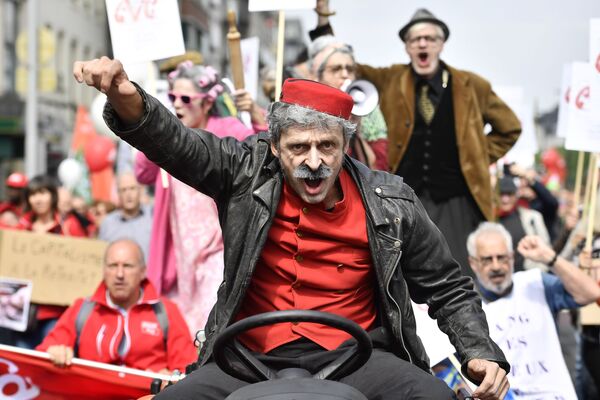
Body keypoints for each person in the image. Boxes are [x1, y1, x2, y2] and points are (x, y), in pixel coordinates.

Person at [74, 57, 510, 400]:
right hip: (246, 356)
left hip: (358, 356)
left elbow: (448, 287)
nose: (314, 161)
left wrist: (480, 353)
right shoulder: (243, 169)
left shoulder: (391, 199)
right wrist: (125, 95)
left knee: (432, 396)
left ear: (345, 145)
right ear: (275, 147)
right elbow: (175, 143)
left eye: (327, 146)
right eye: (299, 147)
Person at [313, 4, 521, 277]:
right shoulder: (391, 79)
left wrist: (477, 158)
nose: (422, 44)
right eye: (415, 40)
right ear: (407, 47)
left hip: (456, 201)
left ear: (441, 44)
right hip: (404, 198)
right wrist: (323, 28)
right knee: (405, 274)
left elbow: (510, 128)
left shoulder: (472, 85)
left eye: (430, 39)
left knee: (457, 275)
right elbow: (345, 67)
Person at [135, 61, 263, 336]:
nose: (177, 104)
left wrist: (255, 113)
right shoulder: (170, 136)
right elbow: (142, 173)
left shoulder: (227, 128)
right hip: (181, 256)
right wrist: (153, 133)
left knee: (208, 322)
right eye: (172, 98)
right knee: (182, 326)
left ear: (206, 104)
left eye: (185, 98)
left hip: (219, 251)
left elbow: (263, 152)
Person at [467, 222, 600, 399]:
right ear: (473, 263)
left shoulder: (534, 282)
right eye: (487, 259)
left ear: (512, 257)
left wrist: (550, 257)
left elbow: (591, 293)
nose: (496, 266)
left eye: (502, 257)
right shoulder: (465, 305)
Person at [37, 239, 196, 373]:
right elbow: (41, 354)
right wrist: (54, 352)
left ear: (142, 272)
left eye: (127, 266)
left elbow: (187, 369)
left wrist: (172, 380)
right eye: (113, 266)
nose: (119, 275)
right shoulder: (82, 309)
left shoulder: (166, 311)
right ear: (104, 271)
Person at [14, 175, 87, 349]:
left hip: (57, 312)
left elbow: (84, 262)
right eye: (33, 194)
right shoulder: (21, 228)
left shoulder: (69, 225)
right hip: (23, 313)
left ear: (52, 196)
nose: (38, 199)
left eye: (42, 193)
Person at [307, 35, 388, 170]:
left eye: (349, 69)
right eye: (336, 69)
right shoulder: (306, 110)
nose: (345, 75)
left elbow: (379, 167)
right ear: (318, 77)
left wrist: (355, 131)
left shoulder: (369, 110)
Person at [496, 176, 550, 271]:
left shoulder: (532, 218)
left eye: (509, 194)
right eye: (501, 194)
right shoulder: (489, 221)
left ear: (516, 195)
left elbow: (545, 248)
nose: (505, 199)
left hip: (528, 277)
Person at [98, 172, 153, 261]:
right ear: (118, 194)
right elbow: (101, 257)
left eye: (132, 188)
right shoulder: (108, 223)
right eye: (123, 190)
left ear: (140, 190)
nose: (128, 194)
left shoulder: (152, 216)